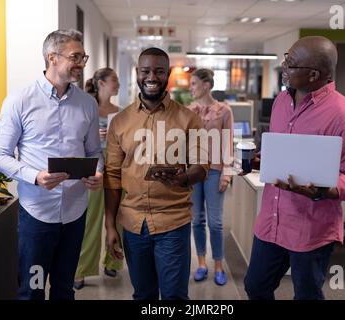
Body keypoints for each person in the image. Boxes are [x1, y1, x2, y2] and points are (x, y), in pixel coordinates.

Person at [243, 36, 345, 300]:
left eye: (290, 63)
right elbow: (285, 152)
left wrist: (324, 190)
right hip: (271, 222)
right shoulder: (280, 102)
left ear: (313, 74)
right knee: (255, 287)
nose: (283, 66)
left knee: (307, 295)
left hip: (310, 228)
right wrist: (263, 159)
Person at [0, 29, 104, 300]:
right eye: (75, 57)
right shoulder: (20, 100)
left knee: (64, 288)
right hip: (36, 217)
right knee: (33, 288)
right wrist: (34, 176)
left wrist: (97, 171)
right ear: (52, 57)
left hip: (75, 214)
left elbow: (94, 151)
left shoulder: (88, 104)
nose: (81, 64)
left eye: (83, 57)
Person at [103, 47, 209, 300]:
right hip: (132, 223)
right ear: (137, 73)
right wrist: (110, 225)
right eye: (146, 71)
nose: (152, 76)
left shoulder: (189, 119)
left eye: (159, 71)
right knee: (143, 295)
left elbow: (201, 167)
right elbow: (113, 176)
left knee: (173, 297)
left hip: (172, 221)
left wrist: (183, 177)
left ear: (168, 74)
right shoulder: (120, 121)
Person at [74, 68, 124, 290]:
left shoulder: (120, 112)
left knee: (117, 218)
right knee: (90, 221)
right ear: (101, 83)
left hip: (116, 168)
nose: (118, 84)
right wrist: (95, 135)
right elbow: (75, 138)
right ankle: (81, 270)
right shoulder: (86, 107)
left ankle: (113, 261)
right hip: (93, 169)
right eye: (114, 80)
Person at [187, 68, 234, 286]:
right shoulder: (189, 111)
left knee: (215, 223)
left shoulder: (224, 111)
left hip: (215, 171)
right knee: (196, 220)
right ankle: (202, 264)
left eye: (194, 83)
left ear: (206, 85)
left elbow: (228, 143)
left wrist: (227, 173)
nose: (191, 87)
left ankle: (218, 265)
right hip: (194, 171)